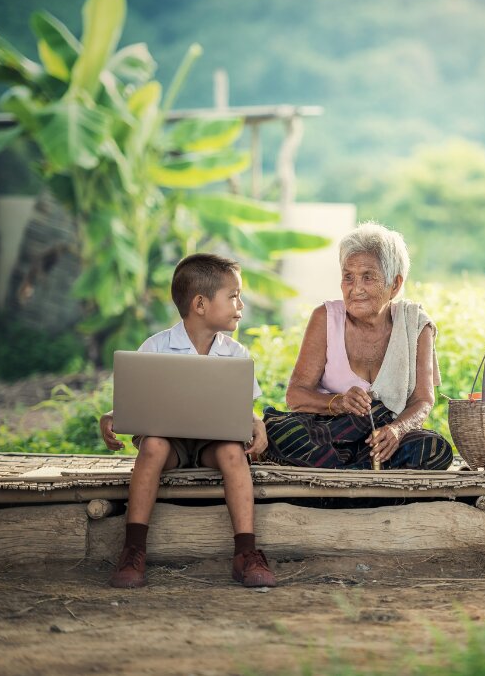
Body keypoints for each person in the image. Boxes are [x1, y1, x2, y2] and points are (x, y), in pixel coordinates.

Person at [99, 253, 276, 588]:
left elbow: (243, 406)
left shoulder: (236, 354)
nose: (241, 304)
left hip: (213, 443)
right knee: (152, 444)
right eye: (234, 296)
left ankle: (246, 552)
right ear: (200, 304)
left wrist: (256, 420)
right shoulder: (156, 347)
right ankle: (133, 550)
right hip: (171, 446)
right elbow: (136, 401)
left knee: (231, 452)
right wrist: (111, 417)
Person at [261, 222, 453, 470]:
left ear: (394, 285)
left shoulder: (416, 325)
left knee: (435, 449)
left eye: (368, 277)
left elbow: (423, 401)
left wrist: (396, 430)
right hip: (328, 434)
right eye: (348, 277)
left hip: (380, 441)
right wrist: (338, 403)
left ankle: (338, 481)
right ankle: (363, 481)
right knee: (282, 433)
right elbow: (295, 395)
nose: (356, 288)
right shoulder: (326, 318)